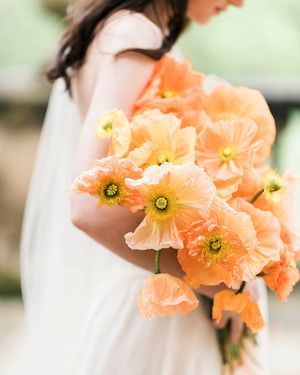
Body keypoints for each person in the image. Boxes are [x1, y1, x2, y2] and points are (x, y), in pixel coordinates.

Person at [17, 0, 269, 374]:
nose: (239, 2)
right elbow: (88, 207)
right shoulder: (134, 34)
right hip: (156, 314)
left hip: (157, 305)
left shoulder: (125, 33)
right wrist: (217, 282)